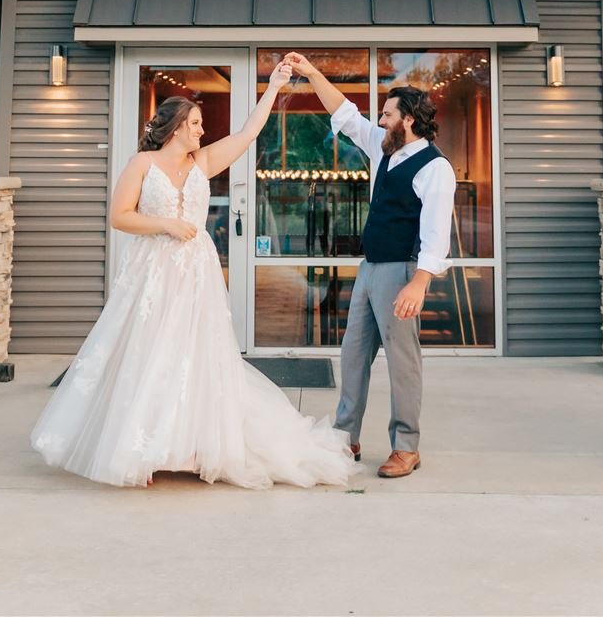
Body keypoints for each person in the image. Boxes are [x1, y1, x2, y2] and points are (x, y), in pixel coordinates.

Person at [29, 60, 357, 489]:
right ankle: (142, 449)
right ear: (177, 126)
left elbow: (247, 134)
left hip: (196, 273)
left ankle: (192, 447)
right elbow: (120, 216)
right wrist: (164, 224)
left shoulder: (203, 161)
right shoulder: (142, 164)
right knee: (150, 354)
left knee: (194, 356)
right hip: (154, 271)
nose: (203, 130)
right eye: (197, 123)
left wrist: (274, 87)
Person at [281, 52, 452, 479]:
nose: (380, 119)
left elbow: (435, 235)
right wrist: (313, 73)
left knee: (402, 363)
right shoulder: (384, 148)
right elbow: (345, 112)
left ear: (407, 119)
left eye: (387, 113)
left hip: (402, 273)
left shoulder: (436, 168)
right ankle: (345, 437)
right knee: (353, 354)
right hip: (370, 268)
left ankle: (406, 447)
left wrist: (418, 284)